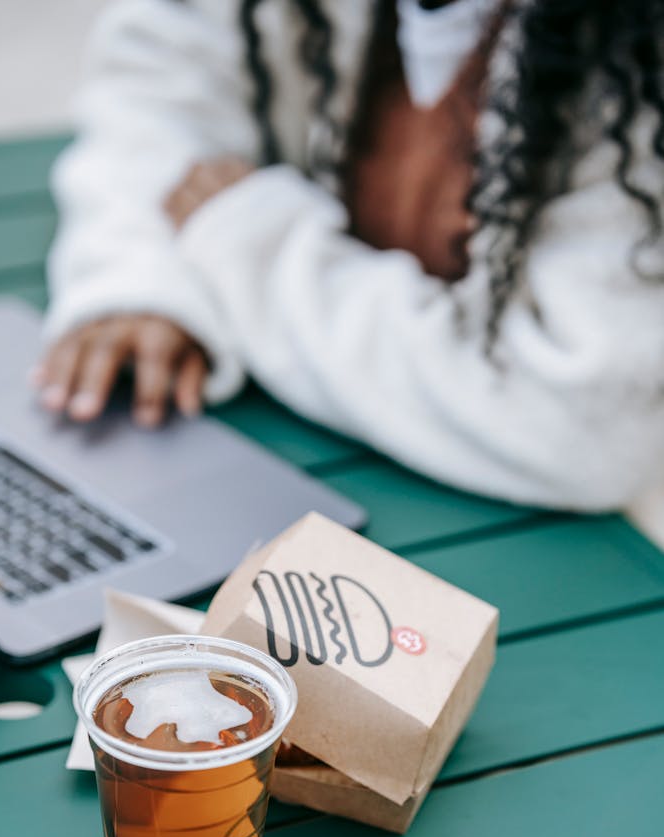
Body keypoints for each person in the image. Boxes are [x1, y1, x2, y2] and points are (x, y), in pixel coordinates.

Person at [37, 0, 664, 511]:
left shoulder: (638, 55)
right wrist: (143, 277)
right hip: (307, 449)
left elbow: (578, 429)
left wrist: (252, 243)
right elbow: (152, 95)